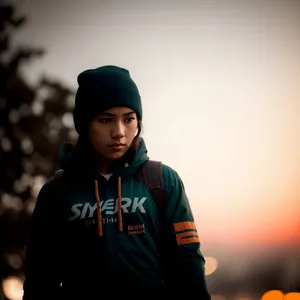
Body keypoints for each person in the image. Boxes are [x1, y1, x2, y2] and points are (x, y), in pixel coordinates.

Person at [22, 65, 211, 299]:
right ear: (84, 124)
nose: (119, 132)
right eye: (105, 120)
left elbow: (188, 267)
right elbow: (40, 280)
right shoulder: (57, 193)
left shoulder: (162, 181)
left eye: (129, 119)